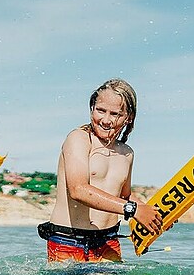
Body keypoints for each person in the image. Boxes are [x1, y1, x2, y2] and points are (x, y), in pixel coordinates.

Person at [38, 78, 163, 264]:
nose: (106, 120)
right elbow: (78, 189)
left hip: (108, 243)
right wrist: (133, 210)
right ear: (91, 109)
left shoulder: (127, 153)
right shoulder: (79, 139)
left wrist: (153, 214)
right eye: (100, 110)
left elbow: (125, 195)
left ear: (128, 117)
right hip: (69, 241)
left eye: (115, 114)